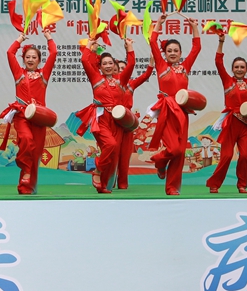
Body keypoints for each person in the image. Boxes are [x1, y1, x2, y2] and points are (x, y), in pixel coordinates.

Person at [147, 14, 201, 196]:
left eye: (175, 50)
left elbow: (197, 48)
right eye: (169, 50)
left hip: (182, 113)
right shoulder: (161, 66)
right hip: (166, 111)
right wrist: (159, 23)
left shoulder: (185, 67)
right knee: (174, 149)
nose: (172, 53)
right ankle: (160, 160)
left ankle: (171, 187)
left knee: (180, 153)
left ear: (180, 53)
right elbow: (153, 42)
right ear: (164, 53)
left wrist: (194, 27)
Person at [75, 37, 135, 193]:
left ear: (115, 65)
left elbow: (131, 64)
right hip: (101, 119)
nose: (108, 66)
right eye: (104, 64)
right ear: (100, 67)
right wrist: (89, 45)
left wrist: (129, 47)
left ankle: (103, 186)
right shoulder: (95, 78)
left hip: (117, 121)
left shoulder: (121, 80)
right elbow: (84, 60)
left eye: (110, 63)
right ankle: (98, 169)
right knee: (111, 145)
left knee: (113, 153)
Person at [207, 33, 247, 194]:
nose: (239, 69)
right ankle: (215, 184)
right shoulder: (227, 81)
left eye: (242, 67)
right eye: (236, 67)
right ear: (232, 69)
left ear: (246, 70)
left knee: (245, 156)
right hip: (230, 123)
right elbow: (218, 62)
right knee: (226, 156)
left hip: (246, 124)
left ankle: (242, 184)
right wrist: (221, 42)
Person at [1, 30, 56, 194]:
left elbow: (54, 53)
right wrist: (20, 39)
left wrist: (49, 37)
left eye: (34, 57)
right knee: (26, 139)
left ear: (39, 60)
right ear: (23, 59)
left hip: (39, 117)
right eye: (27, 57)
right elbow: (10, 53)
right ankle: (25, 169)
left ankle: (27, 188)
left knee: (36, 152)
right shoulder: (19, 73)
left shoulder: (43, 74)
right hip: (22, 115)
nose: (30, 59)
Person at [115, 58, 153, 190]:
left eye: (124, 68)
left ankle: (122, 183)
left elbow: (146, 75)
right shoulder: (109, 84)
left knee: (125, 154)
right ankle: (109, 180)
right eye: (118, 69)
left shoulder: (131, 84)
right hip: (113, 121)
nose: (121, 71)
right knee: (112, 152)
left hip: (127, 123)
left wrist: (151, 63)